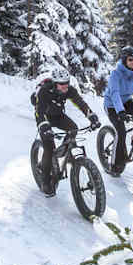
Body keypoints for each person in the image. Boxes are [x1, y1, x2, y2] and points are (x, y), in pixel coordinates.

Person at [34, 67, 100, 195]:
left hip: (58, 115)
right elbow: (39, 112)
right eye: (62, 84)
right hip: (44, 117)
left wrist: (91, 116)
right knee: (49, 146)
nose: (65, 86)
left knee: (73, 129)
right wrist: (43, 126)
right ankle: (45, 180)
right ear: (54, 83)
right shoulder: (44, 91)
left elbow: (80, 103)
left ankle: (65, 153)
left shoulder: (69, 90)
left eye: (67, 83)